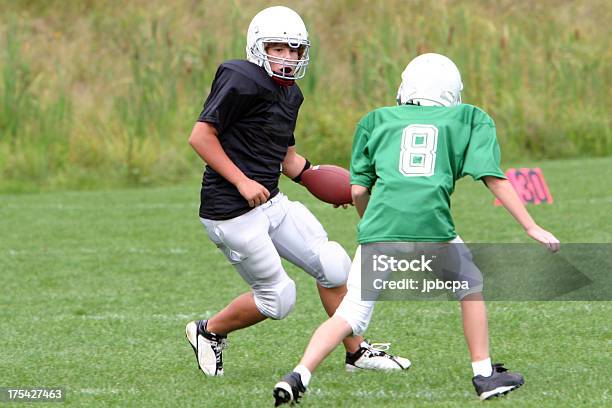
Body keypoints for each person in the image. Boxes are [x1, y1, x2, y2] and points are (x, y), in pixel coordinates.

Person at [272, 53, 560, 405]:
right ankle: (484, 374)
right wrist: (531, 225)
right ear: (451, 92)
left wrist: (369, 223)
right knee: (470, 287)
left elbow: (359, 190)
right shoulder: (468, 119)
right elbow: (494, 178)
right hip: (431, 225)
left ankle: (299, 373)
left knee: (350, 313)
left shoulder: (376, 120)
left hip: (380, 226)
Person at [185, 6, 410, 377]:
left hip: (270, 201)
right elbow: (201, 136)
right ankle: (207, 331)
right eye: (278, 48)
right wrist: (241, 180)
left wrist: (327, 182)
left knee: (333, 266)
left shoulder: (290, 94)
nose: (287, 57)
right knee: (279, 298)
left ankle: (356, 353)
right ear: (258, 47)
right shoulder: (240, 76)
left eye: (295, 50)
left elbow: (287, 159)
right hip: (231, 211)